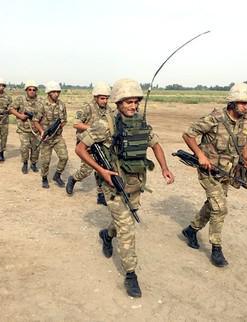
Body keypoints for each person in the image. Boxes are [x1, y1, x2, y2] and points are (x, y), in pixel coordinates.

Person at [75, 78, 174, 298]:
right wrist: (101, 171)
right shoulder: (106, 125)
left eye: (136, 102)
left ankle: (107, 235)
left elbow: (155, 144)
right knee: (127, 228)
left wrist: (165, 168)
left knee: (123, 221)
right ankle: (131, 274)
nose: (133, 106)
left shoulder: (141, 122)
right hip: (113, 184)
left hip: (135, 183)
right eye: (128, 102)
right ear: (118, 103)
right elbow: (81, 149)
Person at [180, 82, 247, 267]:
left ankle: (191, 230)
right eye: (244, 103)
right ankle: (216, 248)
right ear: (232, 101)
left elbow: (245, 139)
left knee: (213, 204)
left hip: (227, 171)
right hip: (209, 171)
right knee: (220, 208)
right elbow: (188, 134)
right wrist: (200, 155)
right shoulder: (214, 119)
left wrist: (245, 158)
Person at [66, 82, 111, 205]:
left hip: (102, 144)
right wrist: (93, 129)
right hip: (86, 144)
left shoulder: (108, 110)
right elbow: (76, 124)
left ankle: (101, 194)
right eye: (102, 98)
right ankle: (73, 178)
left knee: (103, 167)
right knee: (87, 169)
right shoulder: (87, 108)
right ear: (95, 97)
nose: (105, 101)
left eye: (107, 98)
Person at [36, 81, 68, 188]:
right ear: (48, 93)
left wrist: (58, 128)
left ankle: (57, 175)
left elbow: (64, 120)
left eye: (58, 92)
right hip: (46, 138)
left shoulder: (62, 105)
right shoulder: (42, 105)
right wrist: (42, 131)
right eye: (54, 92)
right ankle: (44, 178)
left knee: (64, 157)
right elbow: (35, 121)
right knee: (45, 161)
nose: (56, 94)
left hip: (58, 137)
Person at [9, 80, 42, 174]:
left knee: (36, 148)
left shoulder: (41, 101)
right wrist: (20, 116)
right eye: (30, 89)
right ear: (26, 90)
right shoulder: (20, 99)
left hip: (36, 130)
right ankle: (25, 163)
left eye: (34, 89)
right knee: (24, 147)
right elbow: (11, 109)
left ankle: (34, 164)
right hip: (23, 129)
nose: (32, 91)